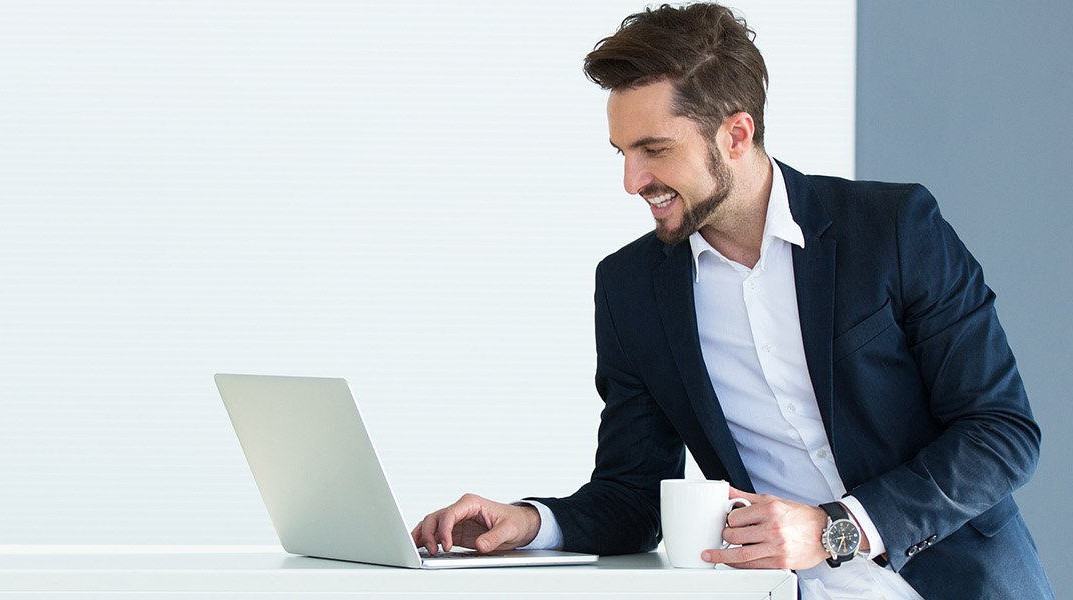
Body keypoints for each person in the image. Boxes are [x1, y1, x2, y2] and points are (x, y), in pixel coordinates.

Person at [409, 4, 1053, 599]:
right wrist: (528, 523)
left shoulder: (893, 228)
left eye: (655, 150)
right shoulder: (630, 288)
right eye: (623, 153)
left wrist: (839, 530)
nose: (632, 182)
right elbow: (633, 496)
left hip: (959, 583)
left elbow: (1001, 432)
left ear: (737, 134)